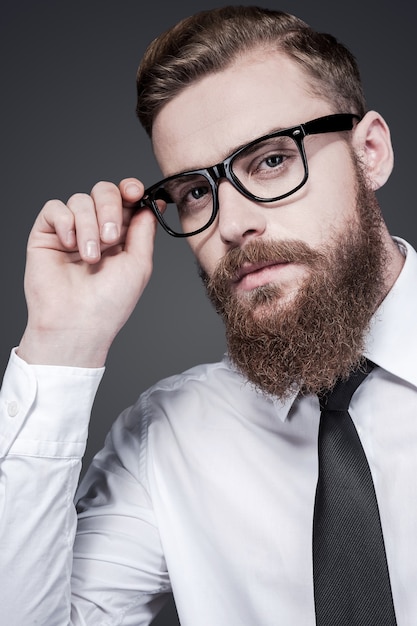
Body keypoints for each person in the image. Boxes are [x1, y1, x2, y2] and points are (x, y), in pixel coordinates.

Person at [0, 4, 415, 625]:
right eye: (196, 192)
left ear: (371, 152)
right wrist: (63, 341)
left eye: (272, 159)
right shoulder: (165, 439)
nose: (231, 223)